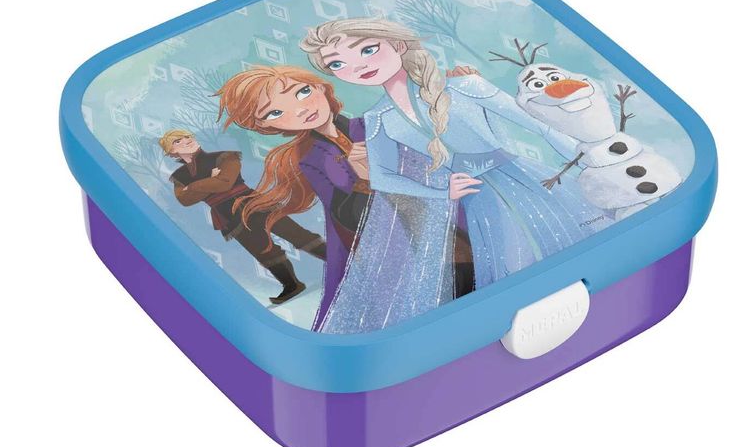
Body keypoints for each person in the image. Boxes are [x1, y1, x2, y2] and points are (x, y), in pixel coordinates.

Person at [299, 18, 607, 330]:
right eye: (337, 64)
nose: (358, 66)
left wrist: (594, 161)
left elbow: (539, 125)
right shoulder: (379, 118)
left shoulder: (465, 86)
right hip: (476, 205)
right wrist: (441, 192)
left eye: (367, 50)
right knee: (510, 269)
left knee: (572, 241)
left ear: (399, 45)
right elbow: (384, 178)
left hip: (524, 180)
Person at [213, 69, 372, 330]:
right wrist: (365, 180)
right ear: (264, 125)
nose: (301, 110)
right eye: (275, 112)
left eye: (303, 91)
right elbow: (342, 210)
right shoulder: (310, 156)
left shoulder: (363, 125)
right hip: (367, 233)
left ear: (321, 87)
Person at [158, 129, 325, 306]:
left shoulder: (225, 157)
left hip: (254, 203)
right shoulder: (179, 176)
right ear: (171, 151)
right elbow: (185, 200)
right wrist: (208, 182)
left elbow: (224, 183)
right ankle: (292, 285)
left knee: (296, 234)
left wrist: (192, 187)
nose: (186, 140)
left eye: (187, 137)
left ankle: (337, 260)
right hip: (227, 216)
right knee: (262, 251)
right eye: (177, 141)